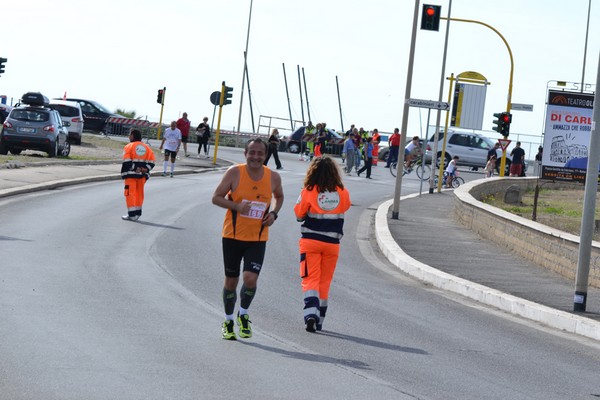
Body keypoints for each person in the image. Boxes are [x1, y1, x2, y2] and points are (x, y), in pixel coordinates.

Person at [212, 138, 284, 340]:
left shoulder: (273, 177)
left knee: (250, 279)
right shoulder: (235, 172)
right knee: (231, 281)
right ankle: (227, 320)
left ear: (265, 155)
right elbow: (216, 197)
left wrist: (274, 214)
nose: (256, 156)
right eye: (252, 152)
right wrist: (236, 206)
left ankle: (243, 314)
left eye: (260, 153)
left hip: (258, 237)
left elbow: (279, 197)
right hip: (233, 236)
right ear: (245, 154)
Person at [294, 156, 351, 332]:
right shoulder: (342, 191)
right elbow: (346, 207)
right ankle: (320, 319)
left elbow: (299, 214)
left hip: (311, 242)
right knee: (324, 281)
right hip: (332, 244)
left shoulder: (308, 190)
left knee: (310, 279)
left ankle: (311, 313)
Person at [120, 129, 155, 221]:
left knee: (130, 194)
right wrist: (145, 169)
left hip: (130, 175)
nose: (129, 137)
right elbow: (152, 162)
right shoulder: (147, 148)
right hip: (142, 176)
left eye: (129, 135)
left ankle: (131, 215)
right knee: (139, 194)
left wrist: (136, 168)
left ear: (132, 136)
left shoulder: (129, 146)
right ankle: (137, 214)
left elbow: (126, 161)